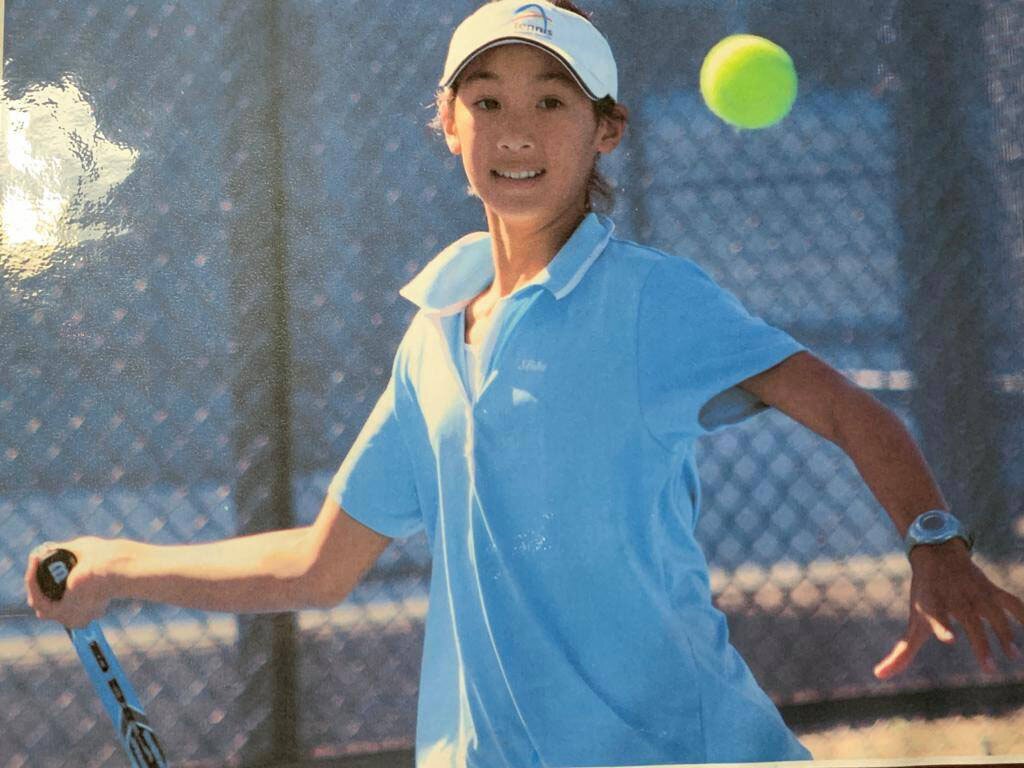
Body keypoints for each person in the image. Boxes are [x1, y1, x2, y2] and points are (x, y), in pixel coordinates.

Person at [26, 1, 1024, 766]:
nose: (516, 129)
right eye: (487, 101)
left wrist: (931, 538)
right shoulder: (431, 336)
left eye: (552, 102)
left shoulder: (651, 300)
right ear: (447, 127)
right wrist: (122, 565)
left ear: (606, 132)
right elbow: (320, 567)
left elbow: (847, 407)